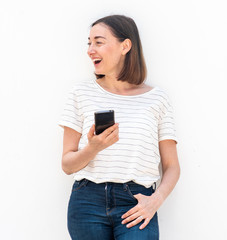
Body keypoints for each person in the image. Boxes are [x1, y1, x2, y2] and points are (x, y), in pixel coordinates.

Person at [58, 14, 180, 240]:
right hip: (87, 201)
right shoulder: (80, 94)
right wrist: (93, 148)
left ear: (125, 46)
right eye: (89, 43)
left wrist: (156, 199)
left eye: (99, 42)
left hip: (136, 201)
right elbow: (66, 165)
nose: (90, 49)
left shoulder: (157, 99)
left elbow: (172, 166)